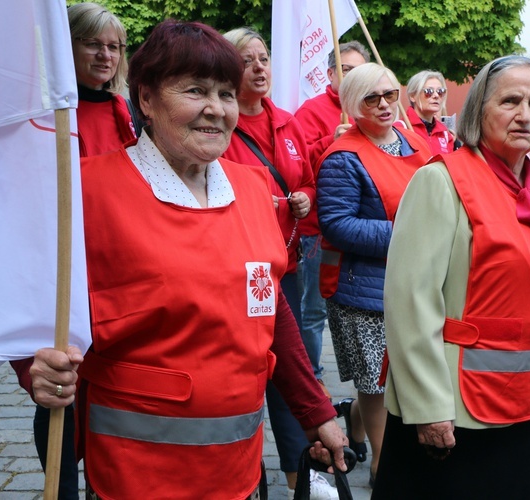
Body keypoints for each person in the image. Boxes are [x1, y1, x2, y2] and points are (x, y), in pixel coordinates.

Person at [28, 20, 346, 500]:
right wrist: (36, 366)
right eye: (196, 90)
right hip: (134, 471)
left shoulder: (255, 188)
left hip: (238, 469)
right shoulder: (86, 192)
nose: (216, 110)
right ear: (148, 100)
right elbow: (36, 304)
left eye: (225, 92)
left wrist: (315, 409)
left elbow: (269, 305)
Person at [373, 55, 530, 499]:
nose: (525, 114)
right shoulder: (440, 182)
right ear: (478, 111)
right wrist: (427, 406)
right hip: (461, 407)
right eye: (510, 100)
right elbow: (410, 303)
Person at [8, 4, 136, 498]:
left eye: (114, 46)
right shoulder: (45, 116)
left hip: (117, 268)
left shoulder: (126, 111)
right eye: (93, 44)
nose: (106, 55)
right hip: (68, 271)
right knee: (60, 391)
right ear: (68, 48)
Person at [221, 28, 337, 500]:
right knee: (248, 371)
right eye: (246, 60)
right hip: (235, 270)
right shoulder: (221, 126)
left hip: (283, 266)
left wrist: (305, 200)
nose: (259, 67)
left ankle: (300, 476)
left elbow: (308, 180)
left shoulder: (287, 122)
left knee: (290, 369)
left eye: (263, 58)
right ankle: (239, 471)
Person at [316, 62, 432, 487]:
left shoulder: (410, 140)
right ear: (353, 104)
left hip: (413, 280)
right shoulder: (342, 157)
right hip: (363, 290)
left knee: (399, 372)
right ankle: (383, 464)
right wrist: (410, 234)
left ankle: (354, 418)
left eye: (390, 94)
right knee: (377, 379)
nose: (384, 104)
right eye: (372, 98)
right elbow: (337, 224)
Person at [294, 40, 370, 388]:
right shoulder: (310, 111)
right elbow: (297, 167)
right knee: (313, 311)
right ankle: (313, 379)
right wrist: (330, 140)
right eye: (346, 70)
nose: (353, 77)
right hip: (317, 230)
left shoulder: (370, 107)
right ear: (330, 74)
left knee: (357, 304)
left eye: (359, 71)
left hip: (361, 227)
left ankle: (364, 375)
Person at [404, 70, 455, 154]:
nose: (436, 96)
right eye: (429, 91)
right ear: (412, 96)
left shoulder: (445, 134)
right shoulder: (400, 128)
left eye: (440, 91)